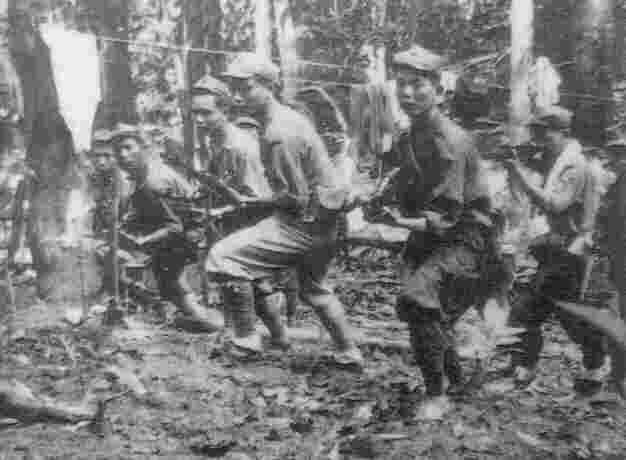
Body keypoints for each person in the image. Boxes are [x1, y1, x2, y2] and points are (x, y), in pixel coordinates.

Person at [204, 52, 362, 366]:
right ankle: (349, 352)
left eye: (245, 88)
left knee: (223, 257)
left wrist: (253, 202)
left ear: (269, 85)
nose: (237, 97)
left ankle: (246, 340)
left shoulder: (279, 134)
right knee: (314, 289)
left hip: (305, 224)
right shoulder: (285, 119)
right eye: (233, 88)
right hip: (325, 223)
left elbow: (297, 199)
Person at [377, 45, 506, 419]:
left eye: (417, 85)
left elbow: (445, 215)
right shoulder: (412, 134)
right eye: (401, 85)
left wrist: (390, 220)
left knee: (419, 299)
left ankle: (437, 394)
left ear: (439, 89)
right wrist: (377, 196)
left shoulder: (449, 140)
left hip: (467, 240)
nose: (407, 94)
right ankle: (455, 378)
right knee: (428, 315)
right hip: (432, 237)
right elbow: (403, 179)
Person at [504, 105, 608, 390]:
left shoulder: (574, 165)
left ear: (562, 133)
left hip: (571, 250)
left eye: (544, 133)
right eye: (535, 132)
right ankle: (527, 365)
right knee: (546, 312)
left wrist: (519, 174)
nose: (538, 138)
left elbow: (555, 204)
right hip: (556, 248)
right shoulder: (557, 159)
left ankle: (593, 362)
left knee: (541, 312)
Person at [192, 75, 301, 326]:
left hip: (256, 221)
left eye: (206, 113)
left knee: (251, 282)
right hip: (233, 218)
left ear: (225, 110)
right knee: (240, 282)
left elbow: (258, 199)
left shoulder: (239, 147)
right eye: (195, 113)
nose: (199, 120)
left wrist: (220, 211)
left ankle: (261, 334)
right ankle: (265, 336)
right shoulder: (214, 140)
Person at [111, 123, 224, 332]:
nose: (122, 155)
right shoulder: (141, 174)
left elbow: (175, 226)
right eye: (118, 150)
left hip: (191, 232)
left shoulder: (155, 179)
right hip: (177, 227)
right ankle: (193, 315)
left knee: (170, 280)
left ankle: (209, 322)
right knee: (166, 281)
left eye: (128, 147)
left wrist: (143, 241)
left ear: (144, 148)